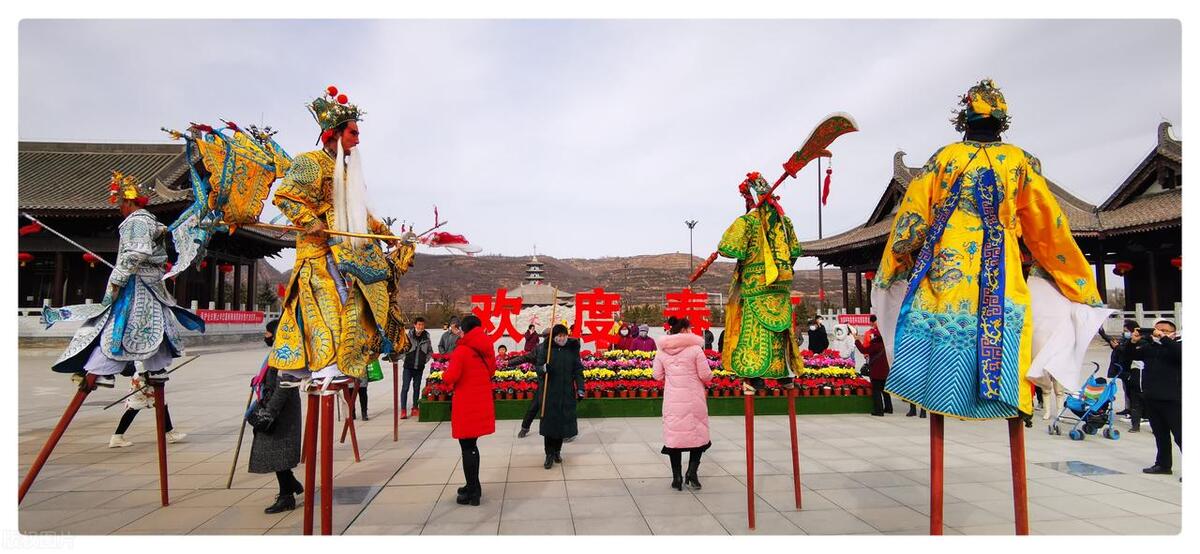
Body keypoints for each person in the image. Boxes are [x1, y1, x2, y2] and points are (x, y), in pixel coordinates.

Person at [872, 79, 1106, 421]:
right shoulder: (1020, 162)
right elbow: (1048, 231)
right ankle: (1000, 394)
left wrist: (893, 264)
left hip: (946, 272)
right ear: (1002, 121)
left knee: (944, 326)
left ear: (964, 120)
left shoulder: (944, 158)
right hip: (1002, 271)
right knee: (1004, 324)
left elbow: (912, 219)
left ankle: (938, 391)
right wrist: (1079, 281)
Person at [267, 87, 404, 386]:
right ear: (333, 134)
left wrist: (389, 236)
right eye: (353, 132)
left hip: (348, 257)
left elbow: (364, 216)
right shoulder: (310, 162)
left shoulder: (348, 172)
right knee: (331, 313)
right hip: (320, 256)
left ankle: (349, 361)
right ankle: (327, 365)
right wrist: (308, 220)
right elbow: (286, 196)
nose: (358, 139)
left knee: (360, 308)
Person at [44, 171, 205, 387]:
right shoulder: (152, 222)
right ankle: (156, 369)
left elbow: (137, 252)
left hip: (136, 285)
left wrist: (119, 278)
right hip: (152, 286)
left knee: (114, 325)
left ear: (128, 201)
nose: (119, 207)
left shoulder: (136, 222)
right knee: (154, 324)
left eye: (121, 202)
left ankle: (103, 371)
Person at [715, 171, 805, 392]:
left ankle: (753, 376)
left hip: (755, 286)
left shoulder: (748, 222)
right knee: (780, 331)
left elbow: (727, 248)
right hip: (781, 289)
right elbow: (794, 252)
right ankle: (784, 374)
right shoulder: (786, 223)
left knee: (754, 332)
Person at [248, 319, 304, 514]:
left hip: (281, 411)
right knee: (274, 452)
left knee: (277, 452)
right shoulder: (275, 353)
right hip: (273, 406)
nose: (266, 336)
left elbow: (284, 386)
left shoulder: (286, 355)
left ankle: (286, 496)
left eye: (268, 333)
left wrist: (269, 412)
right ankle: (290, 485)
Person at [442, 315, 496, 506]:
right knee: (472, 446)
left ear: (465, 331)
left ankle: (473, 492)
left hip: (466, 404)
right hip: (481, 402)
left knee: (467, 447)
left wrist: (444, 375)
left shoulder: (462, 350)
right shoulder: (486, 348)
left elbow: (452, 376)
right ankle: (474, 485)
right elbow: (492, 371)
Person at [653, 317, 713, 491]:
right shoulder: (695, 349)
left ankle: (676, 478)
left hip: (673, 400)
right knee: (699, 438)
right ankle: (692, 473)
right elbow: (706, 375)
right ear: (686, 330)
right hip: (694, 400)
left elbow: (657, 375)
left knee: (674, 440)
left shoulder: (662, 351)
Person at [1125, 320, 1181, 475]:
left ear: (1173, 333)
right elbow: (1129, 356)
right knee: (1160, 435)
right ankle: (1163, 465)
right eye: (1157, 330)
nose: (1159, 332)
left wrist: (1164, 338)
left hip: (1174, 399)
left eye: (1164, 330)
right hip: (1152, 397)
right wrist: (1132, 341)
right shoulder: (1150, 347)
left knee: (1181, 436)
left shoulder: (1178, 346)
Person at [537, 324, 585, 469]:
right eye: (559, 335)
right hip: (550, 393)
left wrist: (581, 388)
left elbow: (578, 370)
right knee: (550, 426)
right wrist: (543, 368)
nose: (561, 338)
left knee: (562, 425)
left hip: (566, 393)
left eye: (564, 335)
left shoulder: (571, 350)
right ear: (554, 337)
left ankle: (557, 451)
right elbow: (538, 367)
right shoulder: (547, 349)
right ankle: (548, 454)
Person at [108, 372, 187, 448]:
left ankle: (117, 436)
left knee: (155, 405)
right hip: (143, 381)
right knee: (155, 404)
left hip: (146, 379)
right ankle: (170, 433)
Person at [1105, 319, 1141, 432]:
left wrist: (1118, 347)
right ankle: (1131, 414)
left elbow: (1127, 353)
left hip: (1137, 373)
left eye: (1126, 331)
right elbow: (1123, 350)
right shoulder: (1127, 341)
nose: (1124, 333)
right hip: (1126, 372)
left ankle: (1136, 424)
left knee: (1136, 399)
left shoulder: (1142, 341)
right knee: (1130, 395)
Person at [856, 315, 892, 416]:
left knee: (876, 392)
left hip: (876, 373)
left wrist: (856, 340)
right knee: (885, 391)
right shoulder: (886, 345)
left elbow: (864, 350)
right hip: (885, 372)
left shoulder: (874, 345)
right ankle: (889, 408)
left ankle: (879, 410)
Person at [402, 317, 433, 419]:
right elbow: (401, 349)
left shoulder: (426, 337)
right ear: (415, 325)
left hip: (419, 367)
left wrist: (425, 360)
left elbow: (430, 351)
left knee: (416, 388)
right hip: (408, 366)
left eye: (422, 325)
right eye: (419, 325)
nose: (420, 327)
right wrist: (405, 358)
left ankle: (415, 407)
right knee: (405, 388)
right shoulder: (408, 336)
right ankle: (403, 410)